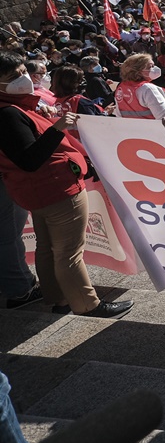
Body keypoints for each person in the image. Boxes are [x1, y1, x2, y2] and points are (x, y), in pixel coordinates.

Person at [0, 52, 132, 318]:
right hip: (55, 188)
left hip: (41, 190)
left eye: (24, 71)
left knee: (49, 248)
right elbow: (29, 158)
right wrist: (57, 128)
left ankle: (59, 298)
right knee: (69, 253)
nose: (24, 78)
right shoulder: (8, 114)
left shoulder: (13, 109)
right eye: (14, 77)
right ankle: (87, 305)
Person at [114, 53, 165, 123]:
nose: (154, 68)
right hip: (154, 131)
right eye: (150, 67)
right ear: (138, 72)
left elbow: (119, 115)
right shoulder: (147, 89)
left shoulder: (121, 88)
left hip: (132, 132)